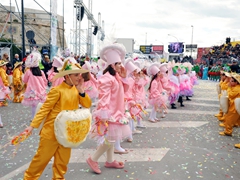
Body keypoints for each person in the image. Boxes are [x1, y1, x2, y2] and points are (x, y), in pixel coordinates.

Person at [23, 58, 91, 180]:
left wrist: (81, 91)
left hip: (67, 133)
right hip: (51, 133)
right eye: (76, 75)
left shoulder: (77, 90)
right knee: (41, 160)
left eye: (79, 75)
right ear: (67, 76)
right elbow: (44, 109)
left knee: (62, 162)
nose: (79, 77)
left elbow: (87, 104)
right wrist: (32, 126)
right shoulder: (57, 90)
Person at [86, 43, 131, 174]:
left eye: (120, 63)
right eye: (118, 64)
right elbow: (104, 96)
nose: (120, 66)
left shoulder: (115, 77)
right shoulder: (107, 78)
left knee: (112, 137)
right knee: (110, 138)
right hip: (110, 112)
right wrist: (104, 113)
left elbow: (125, 89)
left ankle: (110, 160)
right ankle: (93, 159)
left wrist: (124, 76)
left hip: (117, 112)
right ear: (111, 65)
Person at [22, 51, 48, 120]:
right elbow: (45, 81)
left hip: (32, 91)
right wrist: (43, 87)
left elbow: (24, 80)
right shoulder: (41, 72)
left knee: (34, 106)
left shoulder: (28, 72)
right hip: (41, 91)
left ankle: (33, 118)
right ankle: (41, 117)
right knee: (41, 105)